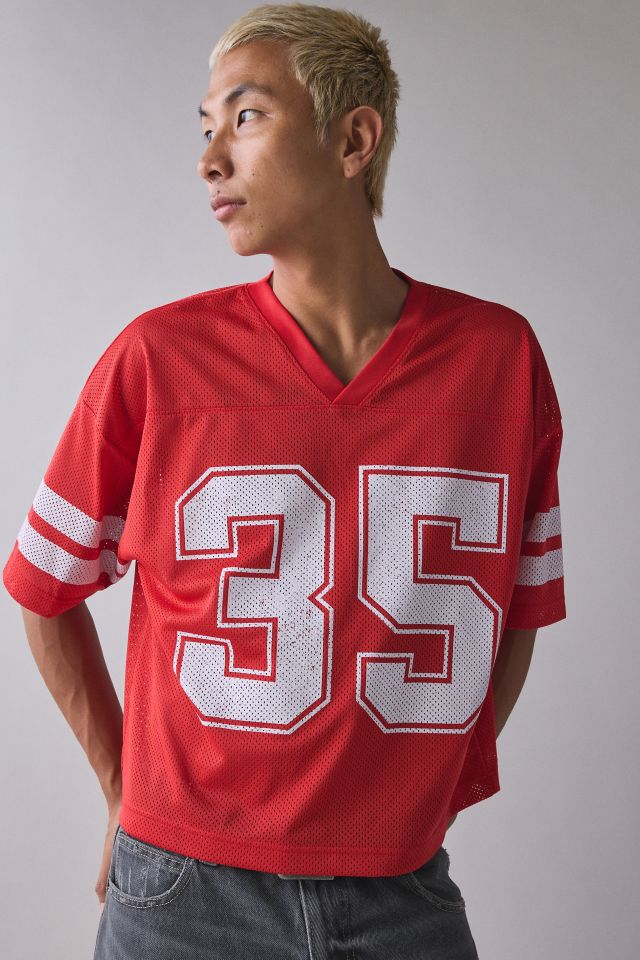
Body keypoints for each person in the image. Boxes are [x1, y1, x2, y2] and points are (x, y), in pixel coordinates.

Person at [2, 4, 566, 958]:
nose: (209, 159)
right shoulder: (158, 359)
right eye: (204, 126)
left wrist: (425, 787)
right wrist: (121, 785)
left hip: (404, 892)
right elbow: (41, 587)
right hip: (182, 893)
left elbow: (519, 603)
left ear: (354, 140)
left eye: (247, 115)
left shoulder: (499, 361)